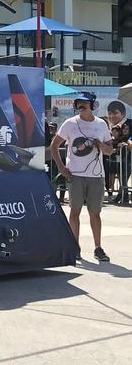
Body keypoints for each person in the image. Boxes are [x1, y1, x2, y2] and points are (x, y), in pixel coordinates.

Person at [50, 92, 113, 262]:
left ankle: (98, 248)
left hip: (96, 175)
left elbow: (110, 150)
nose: (81, 106)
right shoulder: (70, 123)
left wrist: (100, 145)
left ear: (92, 105)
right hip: (75, 175)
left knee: (95, 213)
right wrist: (61, 167)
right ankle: (75, 247)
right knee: (75, 211)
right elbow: (54, 145)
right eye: (78, 103)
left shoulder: (101, 124)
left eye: (84, 103)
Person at [106, 100, 131, 204]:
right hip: (117, 157)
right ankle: (122, 195)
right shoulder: (110, 127)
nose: (112, 116)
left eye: (115, 113)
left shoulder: (129, 123)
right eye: (110, 114)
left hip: (128, 157)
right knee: (120, 175)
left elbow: (127, 138)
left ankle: (124, 196)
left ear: (123, 113)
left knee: (124, 176)